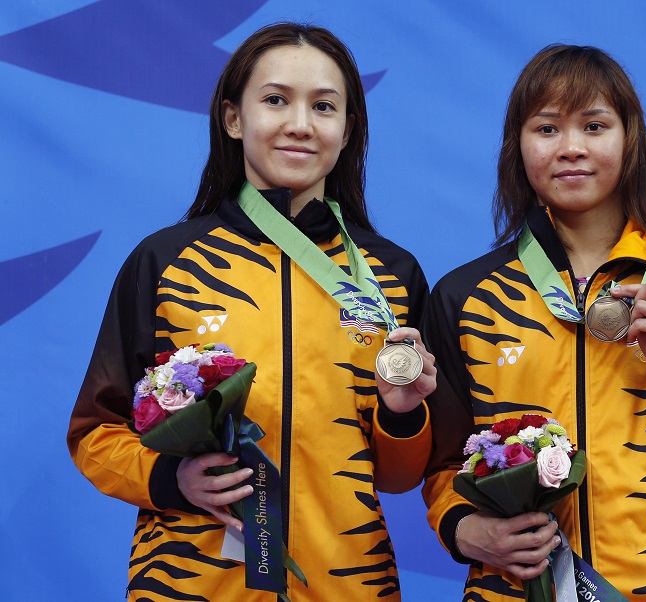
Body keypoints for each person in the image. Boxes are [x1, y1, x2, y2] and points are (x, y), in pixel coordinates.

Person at [67, 23, 437, 601]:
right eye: (275, 100)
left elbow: (396, 476)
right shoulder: (167, 261)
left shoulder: (392, 274)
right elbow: (95, 434)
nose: (299, 124)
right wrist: (171, 478)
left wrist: (402, 414)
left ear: (347, 130)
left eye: (324, 106)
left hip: (348, 585)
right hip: (190, 586)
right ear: (233, 119)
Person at [421, 44, 646, 601]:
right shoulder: (467, 295)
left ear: (629, 139)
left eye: (594, 125)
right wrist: (465, 530)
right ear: (517, 146)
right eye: (547, 129)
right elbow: (444, 467)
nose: (571, 148)